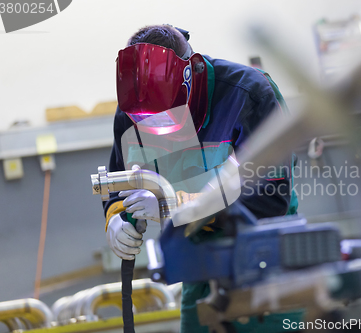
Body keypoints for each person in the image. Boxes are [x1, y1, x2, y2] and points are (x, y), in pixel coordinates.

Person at [103, 24, 300, 333]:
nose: (157, 128)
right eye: (145, 122)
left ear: (190, 77)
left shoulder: (248, 93)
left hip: (267, 265)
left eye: (166, 115)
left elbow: (269, 198)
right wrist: (116, 217)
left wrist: (174, 206)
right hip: (199, 265)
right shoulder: (133, 112)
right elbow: (120, 180)